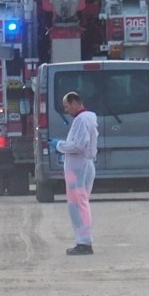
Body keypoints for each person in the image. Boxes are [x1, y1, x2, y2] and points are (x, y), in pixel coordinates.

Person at [49, 91, 98, 255]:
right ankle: (83, 241)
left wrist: (59, 145)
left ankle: (84, 242)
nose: (66, 110)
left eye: (67, 106)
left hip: (77, 167)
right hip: (83, 165)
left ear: (75, 103)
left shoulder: (81, 120)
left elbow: (78, 146)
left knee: (77, 206)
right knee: (80, 204)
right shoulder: (89, 118)